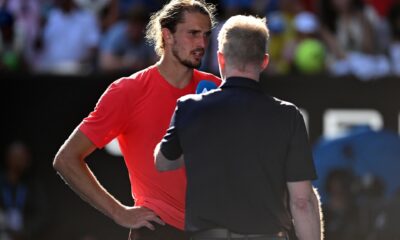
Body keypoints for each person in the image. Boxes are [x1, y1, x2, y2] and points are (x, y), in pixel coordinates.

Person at [52, 0, 220, 239]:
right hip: (158, 228)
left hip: (212, 228)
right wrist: (118, 212)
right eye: (193, 34)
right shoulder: (128, 91)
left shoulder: (215, 88)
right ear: (167, 35)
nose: (202, 44)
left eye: (206, 35)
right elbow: (66, 159)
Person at [155, 15, 323, 240]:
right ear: (264, 61)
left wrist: (194, 134)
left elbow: (163, 162)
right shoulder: (288, 116)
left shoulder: (189, 108)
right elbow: (302, 202)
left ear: (221, 59)